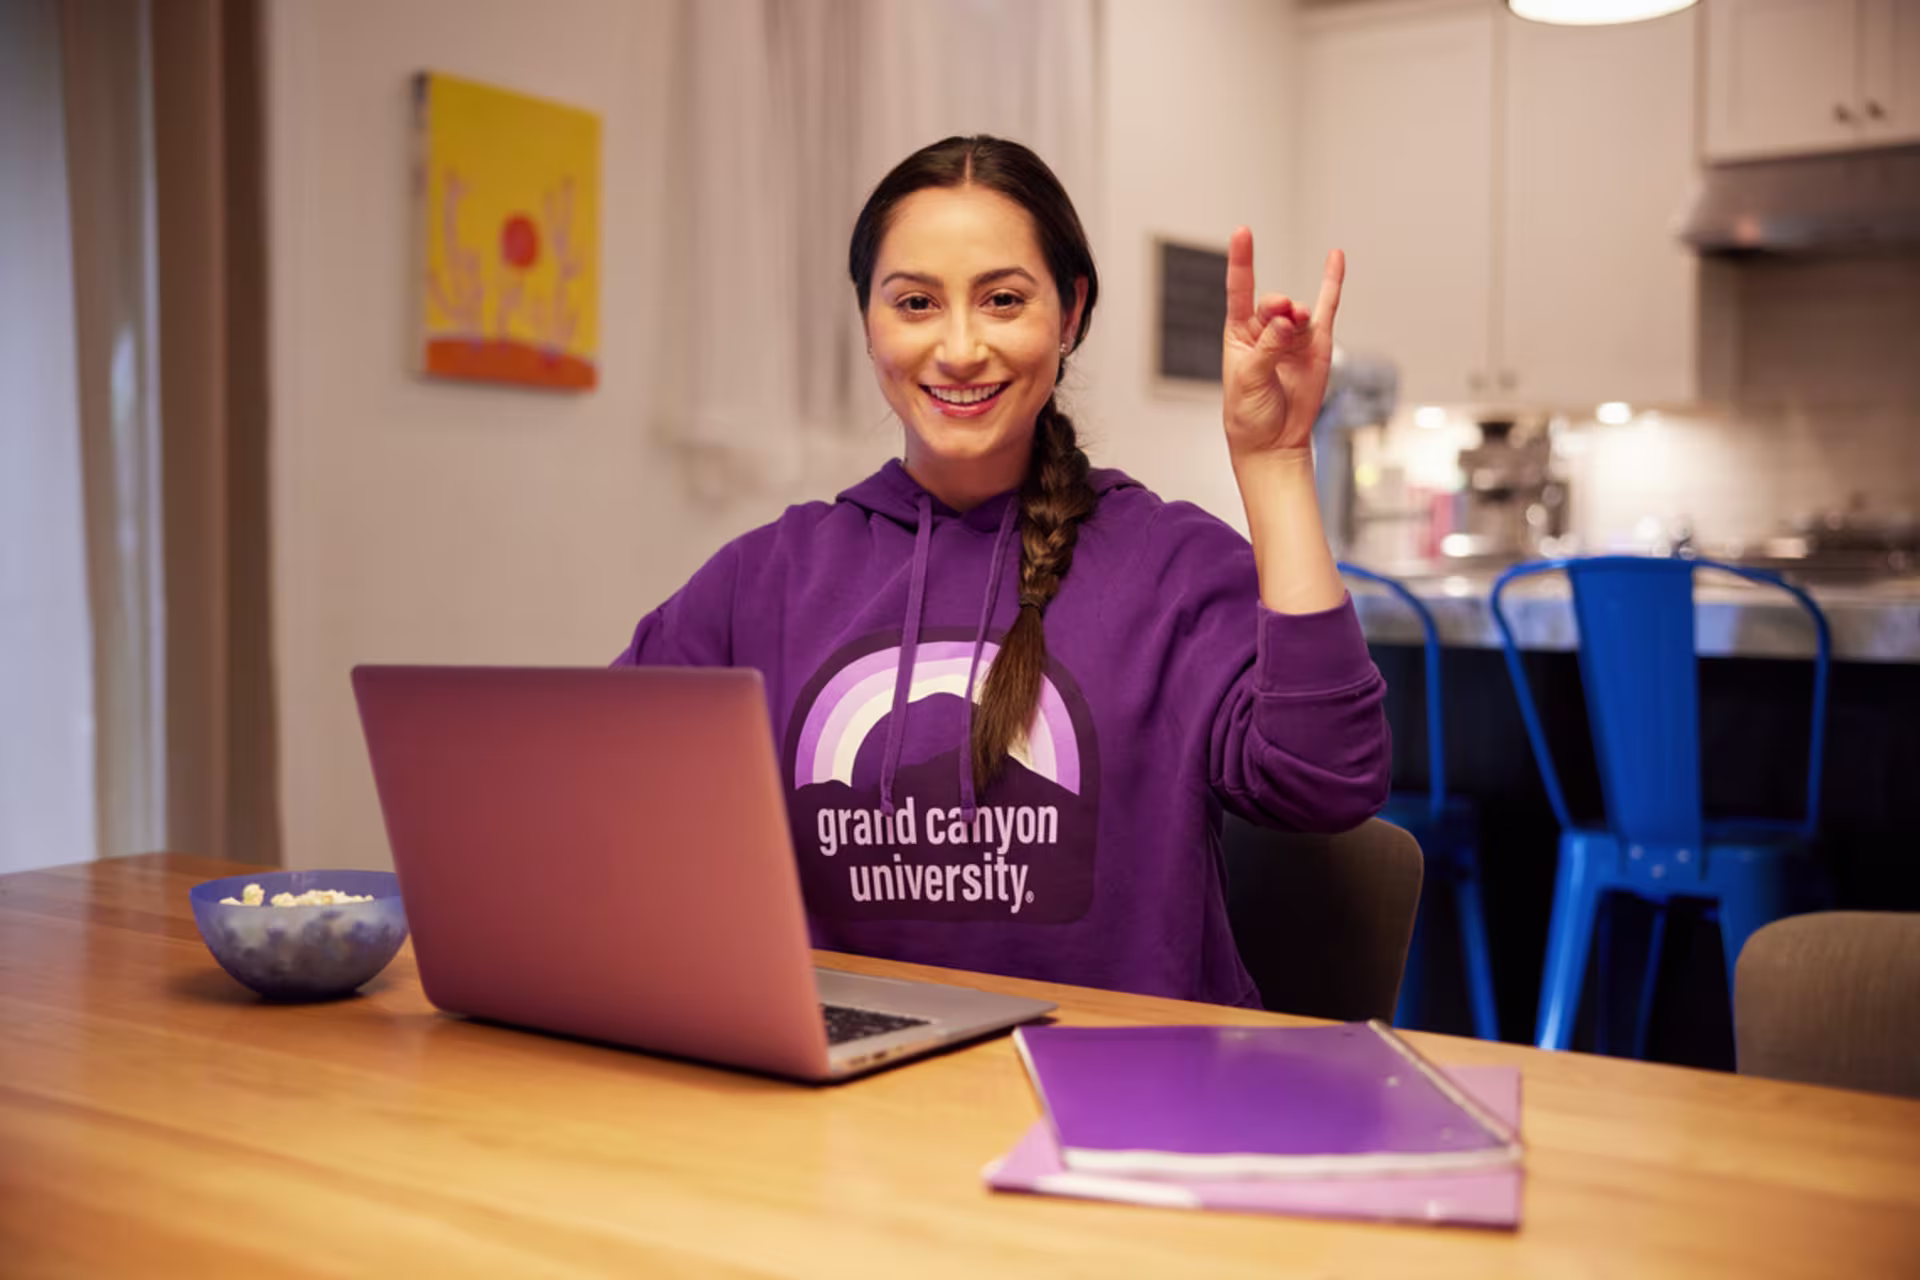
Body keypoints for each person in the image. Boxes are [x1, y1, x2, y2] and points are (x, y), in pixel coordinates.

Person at [615, 135, 1388, 1007]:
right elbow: (599, 802)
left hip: (1126, 1102)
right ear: (868, 322)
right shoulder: (766, 581)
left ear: (1070, 314)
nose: (958, 349)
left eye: (1003, 300)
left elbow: (1328, 781)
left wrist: (1278, 460)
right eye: (914, 303)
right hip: (847, 1110)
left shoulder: (1173, 565)